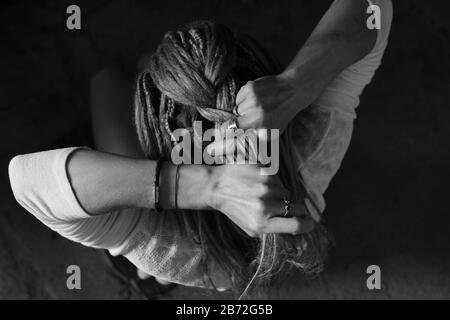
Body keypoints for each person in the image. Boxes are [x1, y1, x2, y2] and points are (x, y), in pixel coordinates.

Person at [8, 0, 392, 298]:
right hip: (207, 263)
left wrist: (205, 186)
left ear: (159, 132)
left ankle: (133, 257)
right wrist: (297, 84)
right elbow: (374, 9)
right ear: (261, 83)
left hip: (163, 234)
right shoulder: (316, 141)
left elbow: (25, 180)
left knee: (105, 80)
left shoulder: (164, 245)